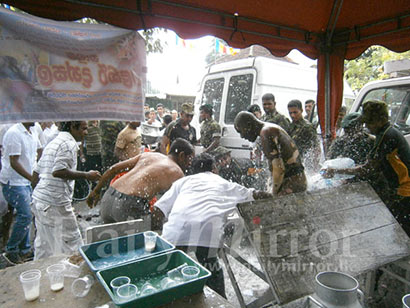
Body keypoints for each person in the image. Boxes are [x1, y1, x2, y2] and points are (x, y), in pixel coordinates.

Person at [153, 153, 272, 298]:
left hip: (176, 230)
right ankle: (220, 299)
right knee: (210, 266)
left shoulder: (182, 182)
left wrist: (157, 234)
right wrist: (276, 196)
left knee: (172, 272)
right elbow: (253, 194)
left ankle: (175, 297)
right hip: (208, 231)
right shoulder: (221, 182)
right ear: (214, 168)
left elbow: (158, 210)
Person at [323, 100, 410, 236]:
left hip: (404, 191)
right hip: (400, 189)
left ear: (380, 119)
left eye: (369, 122)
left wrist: (336, 172)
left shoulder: (386, 136)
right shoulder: (388, 132)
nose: (367, 127)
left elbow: (368, 169)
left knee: (401, 233)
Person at [31, 121, 101, 260]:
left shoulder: (53, 142)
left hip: (40, 201)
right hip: (54, 202)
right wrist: (87, 175)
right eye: (83, 129)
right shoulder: (68, 144)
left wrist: (41, 197)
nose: (86, 133)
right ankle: (75, 278)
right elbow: (58, 171)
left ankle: (42, 275)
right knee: (73, 244)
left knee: (44, 246)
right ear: (72, 127)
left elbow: (35, 174)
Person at [87, 138, 195, 224]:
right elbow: (181, 205)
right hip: (128, 205)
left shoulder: (149, 155)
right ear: (181, 155)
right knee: (141, 245)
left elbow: (113, 169)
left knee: (110, 244)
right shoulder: (177, 172)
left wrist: (96, 191)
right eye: (190, 158)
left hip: (108, 198)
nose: (190, 163)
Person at [234, 111, 307, 195]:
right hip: (296, 181)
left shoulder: (266, 132)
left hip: (293, 184)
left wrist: (273, 194)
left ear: (249, 125)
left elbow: (279, 169)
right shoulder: (268, 128)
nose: (242, 136)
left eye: (240, 131)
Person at [0, 122, 41, 265]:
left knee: (26, 214)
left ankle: (24, 250)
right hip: (13, 181)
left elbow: (39, 149)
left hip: (25, 181)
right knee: (25, 215)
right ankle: (10, 250)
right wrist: (32, 178)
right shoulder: (14, 133)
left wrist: (38, 169)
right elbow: (14, 162)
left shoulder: (33, 130)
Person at [287, 99, 320, 171]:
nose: (292, 115)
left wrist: (314, 167)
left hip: (304, 163)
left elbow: (316, 147)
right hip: (293, 163)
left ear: (301, 110)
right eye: (290, 113)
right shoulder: (291, 126)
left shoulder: (307, 127)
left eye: (295, 112)